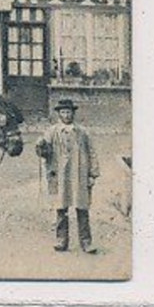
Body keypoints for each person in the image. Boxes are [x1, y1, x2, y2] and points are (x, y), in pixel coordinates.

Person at [35, 97, 99, 253]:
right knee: (61, 209)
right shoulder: (51, 132)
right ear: (59, 114)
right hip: (60, 176)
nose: (66, 115)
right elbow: (44, 152)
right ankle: (61, 240)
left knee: (82, 208)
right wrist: (40, 146)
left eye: (68, 111)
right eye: (63, 112)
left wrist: (93, 174)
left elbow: (92, 152)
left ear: (73, 113)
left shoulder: (82, 132)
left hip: (79, 175)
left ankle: (86, 242)